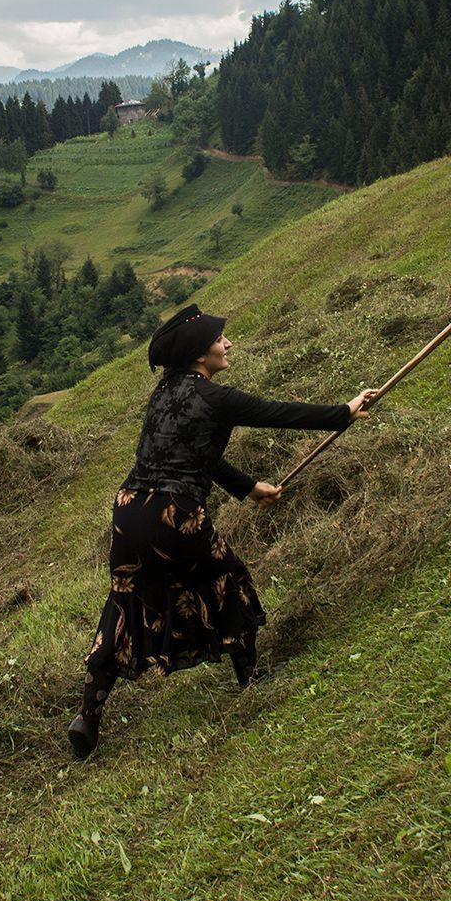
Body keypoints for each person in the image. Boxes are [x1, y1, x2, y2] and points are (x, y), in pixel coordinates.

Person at [68, 304, 379, 760]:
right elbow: (277, 413)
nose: (227, 343)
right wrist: (343, 412)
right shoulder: (215, 398)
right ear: (199, 353)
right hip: (175, 513)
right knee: (226, 575)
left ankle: (87, 715)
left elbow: (198, 453)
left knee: (126, 601)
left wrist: (248, 488)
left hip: (129, 509)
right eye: (219, 339)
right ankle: (249, 677)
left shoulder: (163, 394)